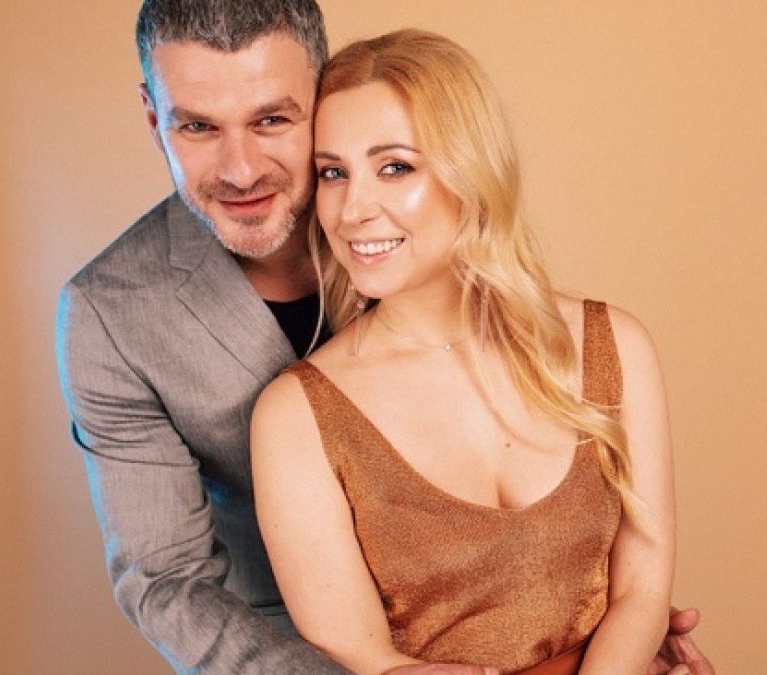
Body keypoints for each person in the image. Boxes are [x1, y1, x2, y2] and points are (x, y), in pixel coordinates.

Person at [55, 0, 712, 672]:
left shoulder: (418, 240)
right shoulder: (110, 314)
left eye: (272, 120)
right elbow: (168, 582)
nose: (241, 169)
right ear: (154, 118)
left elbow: (615, 568)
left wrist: (605, 633)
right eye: (197, 125)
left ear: (320, 97)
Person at [251, 30, 678, 675]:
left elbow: (642, 592)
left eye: (395, 167)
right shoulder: (295, 416)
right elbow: (361, 651)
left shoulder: (613, 345)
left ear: (471, 171)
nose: (352, 209)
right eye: (334, 173)